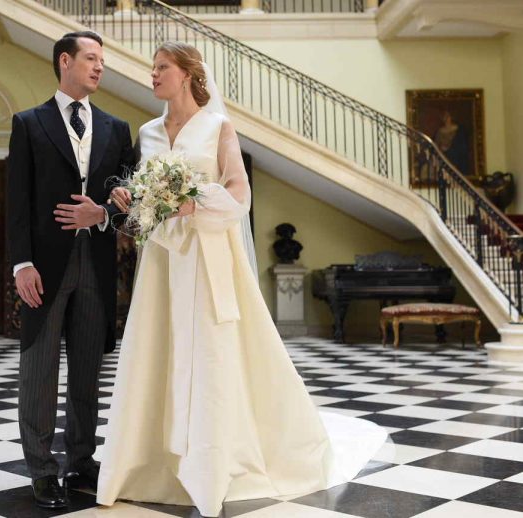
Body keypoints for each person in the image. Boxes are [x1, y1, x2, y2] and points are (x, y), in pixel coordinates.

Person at [96, 42, 387, 518]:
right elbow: (143, 195)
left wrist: (194, 202)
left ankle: (211, 467)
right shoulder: (147, 133)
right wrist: (131, 196)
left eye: (162, 67)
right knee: (155, 350)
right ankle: (149, 464)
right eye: (152, 68)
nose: (153, 75)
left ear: (187, 74)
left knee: (211, 352)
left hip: (208, 257)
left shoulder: (217, 126)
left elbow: (239, 191)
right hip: (162, 262)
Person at [6, 31, 135, 509]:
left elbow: (130, 199)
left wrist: (102, 212)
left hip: (97, 265)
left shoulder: (117, 129)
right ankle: (42, 469)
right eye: (91, 58)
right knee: (39, 371)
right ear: (65, 61)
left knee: (86, 371)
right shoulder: (29, 123)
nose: (100, 67)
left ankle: (82, 459)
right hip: (44, 267)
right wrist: (22, 264)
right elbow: (17, 201)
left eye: (102, 60)